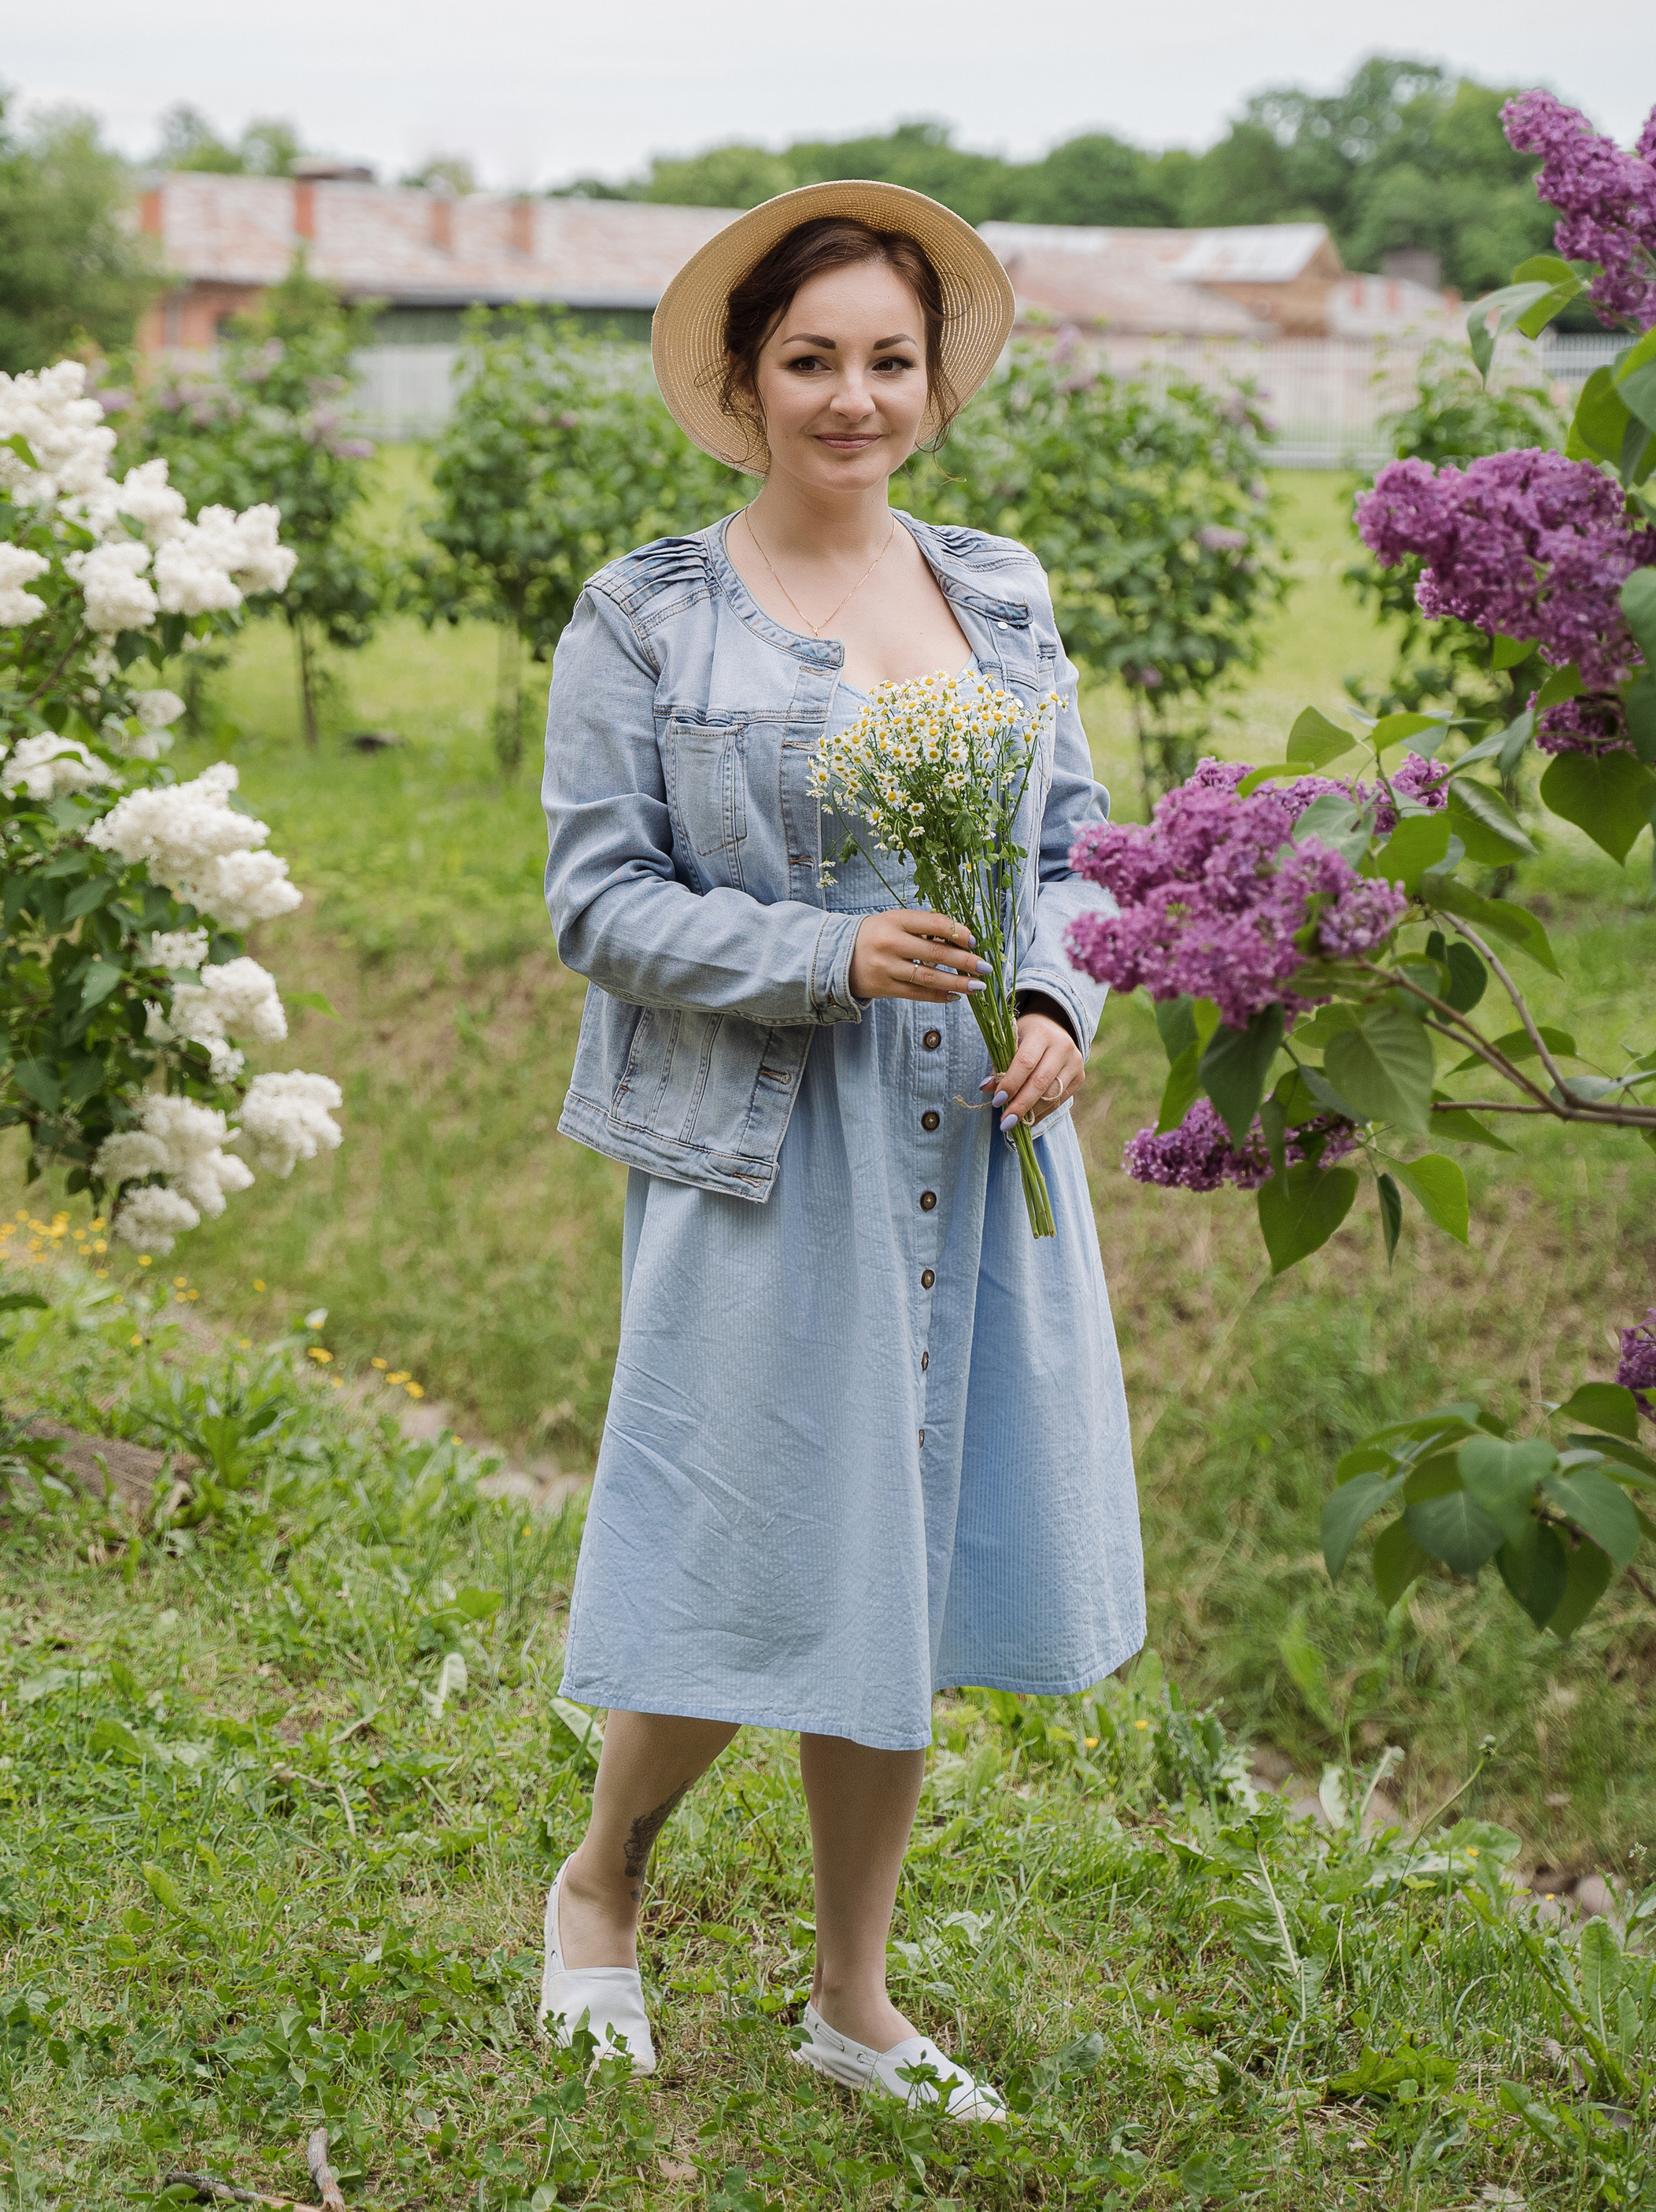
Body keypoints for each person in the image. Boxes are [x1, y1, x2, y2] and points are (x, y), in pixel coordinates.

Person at [536, 181, 1144, 2120]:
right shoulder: (646, 613)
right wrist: (821, 952)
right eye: (810, 359)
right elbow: (593, 899)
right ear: (739, 377)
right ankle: (600, 1882)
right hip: (756, 1144)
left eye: (889, 360)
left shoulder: (1003, 592)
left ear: (934, 379)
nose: (852, 398)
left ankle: (850, 1998)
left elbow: (1072, 854)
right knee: (747, 1541)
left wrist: (1054, 1007)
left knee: (898, 1563)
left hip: (970, 1141)